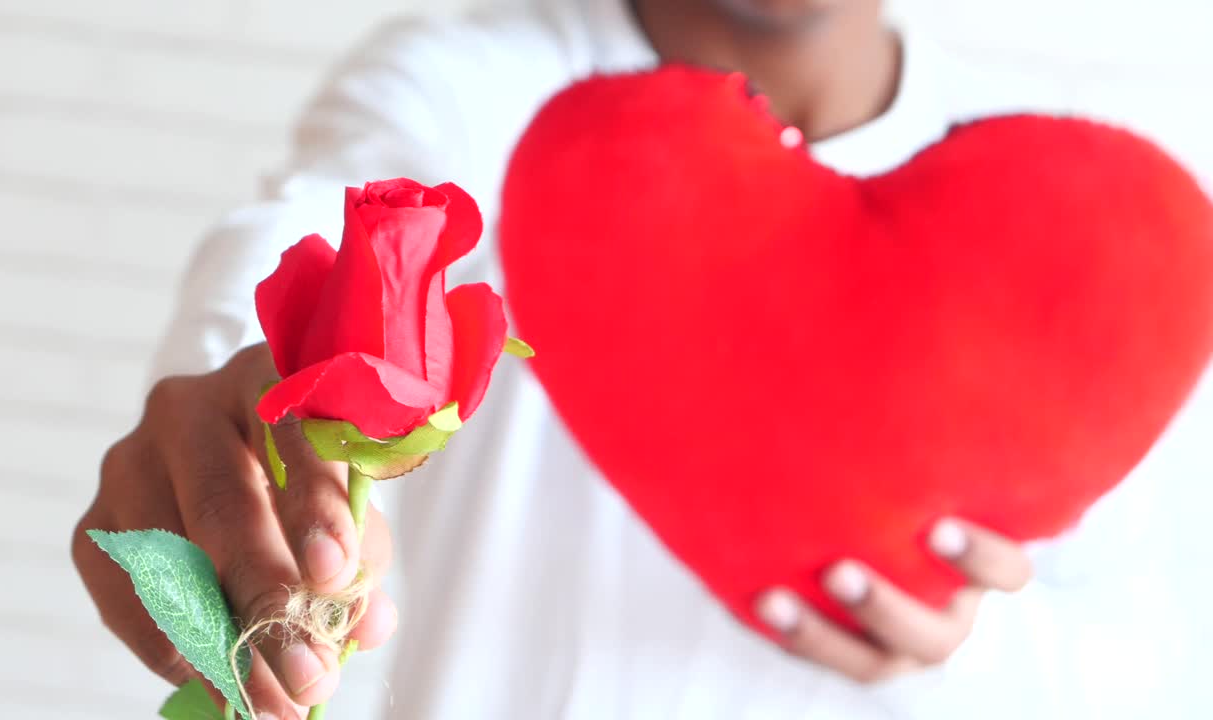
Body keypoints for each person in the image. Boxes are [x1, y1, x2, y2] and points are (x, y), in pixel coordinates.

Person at [72, 0, 1211, 718]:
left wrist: (965, 649)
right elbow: (310, 224)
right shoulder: (470, 82)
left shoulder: (1081, 209)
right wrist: (232, 398)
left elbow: (1144, 646)